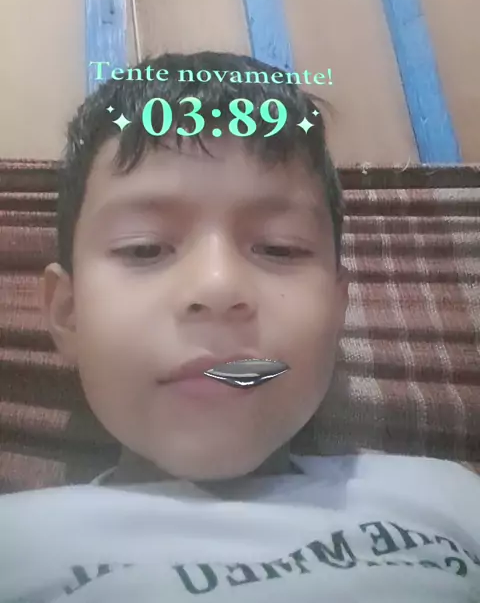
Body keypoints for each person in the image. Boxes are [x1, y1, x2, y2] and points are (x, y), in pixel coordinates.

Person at [1, 50, 479, 602]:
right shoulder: (17, 540)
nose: (217, 287)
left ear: (337, 310)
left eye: (279, 248)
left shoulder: (448, 499)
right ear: (68, 313)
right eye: (145, 248)